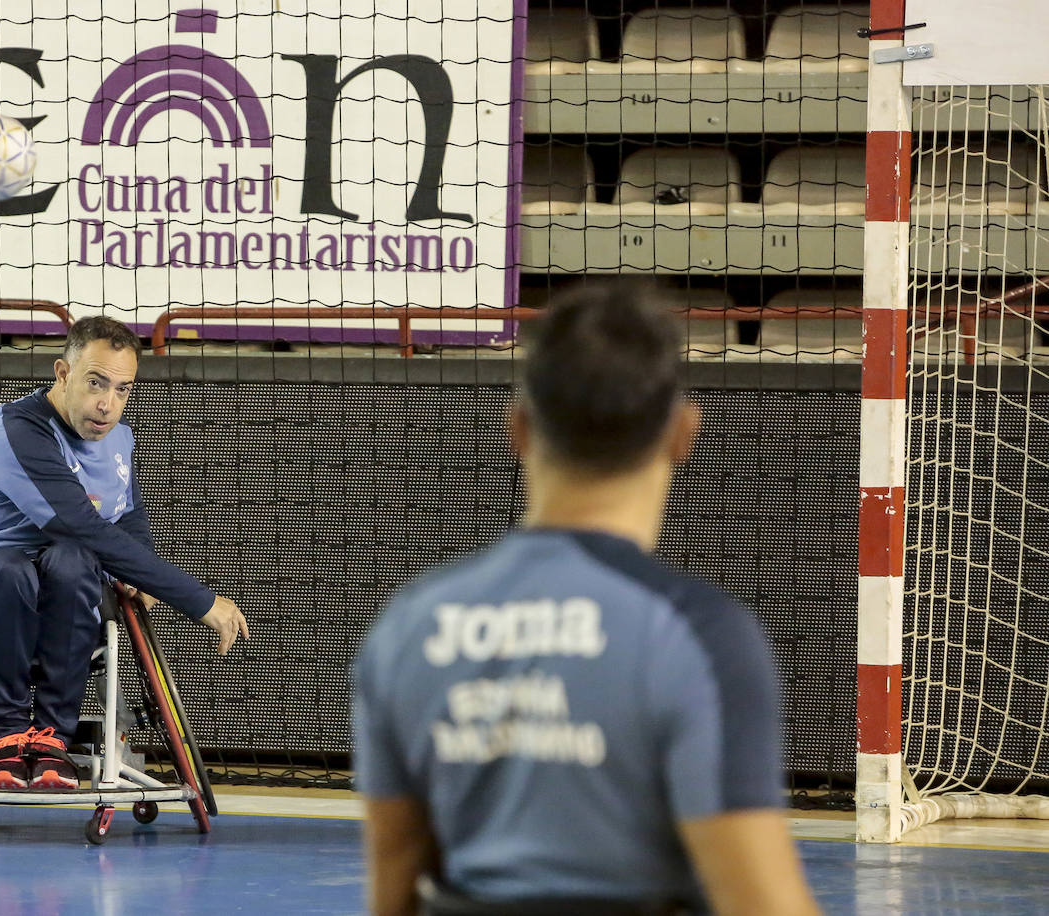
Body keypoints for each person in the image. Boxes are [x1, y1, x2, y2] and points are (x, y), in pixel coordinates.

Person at [351, 282, 819, 916]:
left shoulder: (408, 625)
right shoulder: (697, 636)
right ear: (684, 433)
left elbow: (394, 886)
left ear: (519, 428)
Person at [0, 316, 248, 791]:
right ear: (63, 373)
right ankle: (7, 734)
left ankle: (50, 741)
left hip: (71, 575)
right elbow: (82, 526)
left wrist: (143, 575)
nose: (108, 405)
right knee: (18, 567)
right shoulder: (17, 430)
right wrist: (199, 601)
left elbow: (125, 517)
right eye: (96, 382)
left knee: (71, 561)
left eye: (123, 390)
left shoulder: (119, 439)